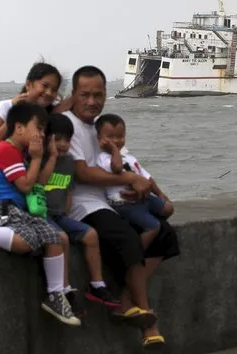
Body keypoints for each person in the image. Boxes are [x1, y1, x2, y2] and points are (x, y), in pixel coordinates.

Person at [62, 65, 180, 350]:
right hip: (83, 204)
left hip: (110, 200)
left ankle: (124, 302)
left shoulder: (101, 125)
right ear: (74, 95)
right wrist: (129, 179)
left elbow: (129, 162)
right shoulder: (69, 125)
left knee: (165, 235)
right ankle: (149, 326)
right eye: (85, 95)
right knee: (127, 239)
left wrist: (149, 190)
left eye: (98, 95)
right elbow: (83, 173)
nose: (92, 101)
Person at [0, 102, 81, 326]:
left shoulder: (20, 153)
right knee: (27, 241)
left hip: (14, 210)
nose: (41, 134)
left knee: (55, 237)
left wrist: (44, 157)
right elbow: (26, 186)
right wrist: (38, 158)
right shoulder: (6, 150)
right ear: (19, 128)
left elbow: (38, 182)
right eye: (38, 128)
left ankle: (56, 295)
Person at [36, 113, 120, 316]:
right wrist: (52, 157)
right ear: (47, 138)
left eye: (67, 139)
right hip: (42, 215)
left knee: (90, 235)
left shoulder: (70, 163)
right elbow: (39, 183)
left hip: (60, 215)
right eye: (57, 139)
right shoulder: (40, 159)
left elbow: (68, 189)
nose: (63, 145)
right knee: (61, 238)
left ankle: (97, 284)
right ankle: (64, 291)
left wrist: (67, 208)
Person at [94, 113, 174, 247]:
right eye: (110, 137)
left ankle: (145, 220)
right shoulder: (103, 158)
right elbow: (117, 168)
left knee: (168, 208)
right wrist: (113, 150)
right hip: (124, 203)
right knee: (153, 227)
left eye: (120, 137)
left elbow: (146, 177)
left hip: (143, 198)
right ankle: (138, 252)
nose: (116, 141)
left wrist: (160, 194)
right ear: (99, 138)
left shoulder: (129, 158)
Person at [0, 61, 72, 154]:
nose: (49, 92)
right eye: (45, 86)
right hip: (8, 166)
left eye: (54, 90)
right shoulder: (6, 107)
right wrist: (15, 113)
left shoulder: (49, 113)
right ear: (28, 84)